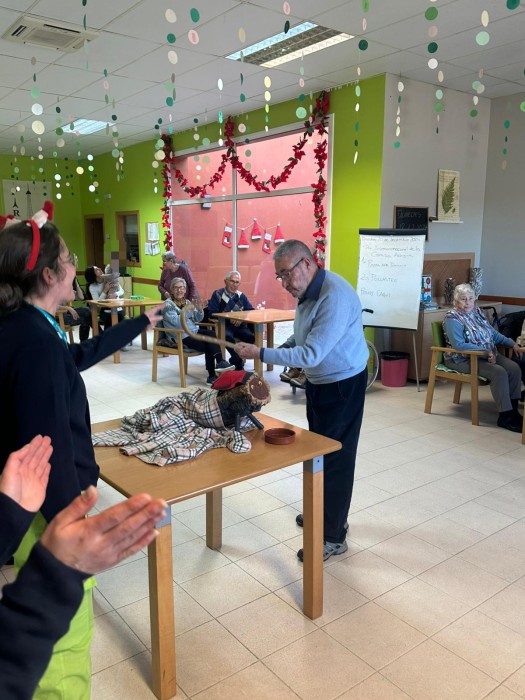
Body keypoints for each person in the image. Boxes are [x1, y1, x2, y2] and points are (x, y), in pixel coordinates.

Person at [0, 217, 163, 699]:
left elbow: (75, 358)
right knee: (65, 642)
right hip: (49, 514)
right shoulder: (33, 342)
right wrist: (70, 524)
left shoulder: (29, 325)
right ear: (49, 274)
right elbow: (45, 444)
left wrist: (139, 323)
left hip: (34, 503)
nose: (76, 267)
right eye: (69, 260)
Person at [0, 434, 166, 700]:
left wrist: (9, 518)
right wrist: (56, 572)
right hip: (48, 496)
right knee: (66, 650)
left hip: (28, 489)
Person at [235, 240, 368, 562]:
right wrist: (282, 347)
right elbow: (303, 335)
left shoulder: (333, 296)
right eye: (279, 276)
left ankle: (334, 535)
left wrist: (261, 353)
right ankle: (323, 512)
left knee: (336, 458)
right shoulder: (307, 291)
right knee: (317, 453)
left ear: (306, 264)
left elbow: (310, 354)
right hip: (321, 383)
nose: (284, 283)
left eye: (286, 274)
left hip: (343, 384)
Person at [442, 283, 525, 432]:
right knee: (498, 372)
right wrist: (485, 352)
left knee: (514, 368)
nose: (468, 302)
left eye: (470, 298)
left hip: (488, 354)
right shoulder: (452, 318)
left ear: (475, 299)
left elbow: (492, 334)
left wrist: (512, 344)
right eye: (463, 299)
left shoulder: (477, 312)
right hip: (462, 359)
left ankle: (513, 412)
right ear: (456, 301)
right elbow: (458, 345)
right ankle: (505, 416)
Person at [161, 277, 233, 383]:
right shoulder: (167, 305)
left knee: (211, 334)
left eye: (181, 288)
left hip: (193, 331)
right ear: (171, 290)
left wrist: (199, 310)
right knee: (209, 345)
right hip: (180, 335)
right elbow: (177, 323)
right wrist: (188, 312)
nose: (179, 290)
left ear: (185, 289)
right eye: (176, 288)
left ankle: (219, 363)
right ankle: (213, 373)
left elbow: (197, 319)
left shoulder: (187, 302)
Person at [207, 270, 255, 370]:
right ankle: (238, 361)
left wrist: (241, 318)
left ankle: (235, 359)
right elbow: (211, 313)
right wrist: (229, 319)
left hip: (240, 326)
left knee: (250, 337)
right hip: (224, 326)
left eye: (237, 282)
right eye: (232, 281)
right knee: (227, 336)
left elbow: (250, 311)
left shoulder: (241, 296)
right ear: (226, 281)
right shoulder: (217, 294)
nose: (234, 285)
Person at [85, 264, 125, 333]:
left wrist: (115, 294)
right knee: (111, 319)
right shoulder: (92, 286)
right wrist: (105, 291)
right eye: (96, 270)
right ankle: (107, 336)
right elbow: (97, 303)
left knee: (120, 319)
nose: (100, 269)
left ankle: (116, 336)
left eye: (98, 268)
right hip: (105, 310)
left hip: (117, 308)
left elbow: (122, 291)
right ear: (93, 275)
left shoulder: (110, 278)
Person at [56, 275, 92, 341]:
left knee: (87, 310)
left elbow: (81, 297)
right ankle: (85, 342)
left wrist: (76, 284)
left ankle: (85, 342)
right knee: (88, 319)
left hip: (65, 313)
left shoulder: (66, 289)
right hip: (57, 316)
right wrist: (68, 308)